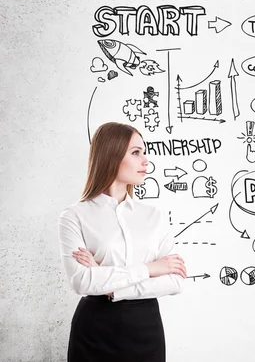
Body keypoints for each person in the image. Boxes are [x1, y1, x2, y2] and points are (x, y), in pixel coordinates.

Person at [58, 122, 186, 362]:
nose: (145, 161)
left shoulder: (154, 216)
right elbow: (82, 281)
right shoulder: (74, 216)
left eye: (144, 152)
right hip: (94, 333)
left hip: (146, 331)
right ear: (111, 154)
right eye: (136, 152)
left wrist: (111, 287)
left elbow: (175, 281)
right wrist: (149, 269)